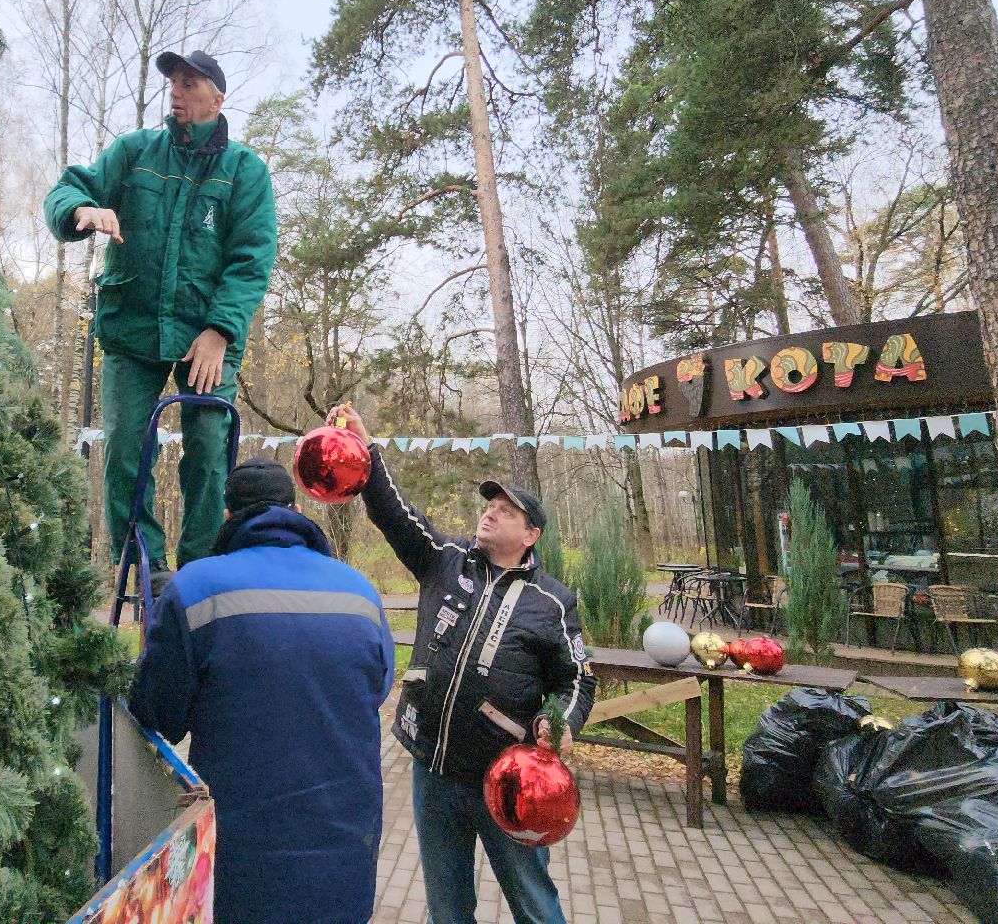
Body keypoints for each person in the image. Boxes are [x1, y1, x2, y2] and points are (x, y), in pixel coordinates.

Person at [329, 403, 595, 924]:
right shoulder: (444, 560)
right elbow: (394, 514)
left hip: (507, 779)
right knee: (447, 908)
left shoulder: (552, 601)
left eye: (506, 511)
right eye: (489, 504)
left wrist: (561, 720)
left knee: (534, 904)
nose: (490, 512)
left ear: (531, 535)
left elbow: (578, 679)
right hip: (434, 768)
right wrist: (368, 448)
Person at [44, 51, 277, 590]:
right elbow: (68, 187)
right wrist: (81, 210)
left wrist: (220, 331)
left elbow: (251, 261)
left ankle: (200, 569)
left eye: (189, 83)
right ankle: (146, 568)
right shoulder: (135, 152)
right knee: (126, 449)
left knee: (208, 447)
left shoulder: (245, 171)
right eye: (173, 81)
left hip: (206, 335)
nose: (176, 91)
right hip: (132, 327)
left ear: (217, 99)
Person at [129, 459, 396, 924]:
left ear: (228, 516)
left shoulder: (195, 587)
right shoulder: (360, 591)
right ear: (296, 510)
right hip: (345, 848)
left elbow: (157, 713)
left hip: (243, 859)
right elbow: (377, 687)